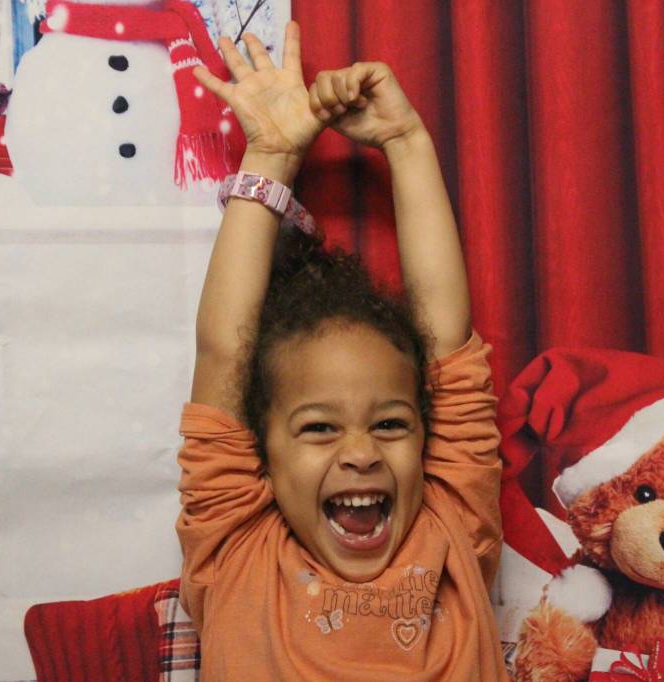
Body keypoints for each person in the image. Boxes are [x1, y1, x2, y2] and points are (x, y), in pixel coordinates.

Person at [177, 21, 507, 680]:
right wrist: (270, 155)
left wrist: (405, 142)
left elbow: (445, 333)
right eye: (319, 428)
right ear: (261, 453)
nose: (361, 453)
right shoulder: (236, 547)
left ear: (426, 434)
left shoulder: (453, 524)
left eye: (390, 424)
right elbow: (222, 353)